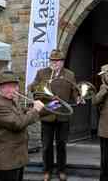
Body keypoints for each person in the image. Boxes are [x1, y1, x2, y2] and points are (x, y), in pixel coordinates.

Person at [28, 49, 80, 181]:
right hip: (47, 114)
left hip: (63, 115)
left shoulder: (69, 74)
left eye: (58, 61)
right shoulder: (42, 73)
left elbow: (74, 91)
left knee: (62, 145)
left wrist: (78, 97)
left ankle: (61, 170)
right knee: (46, 146)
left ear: (62, 62)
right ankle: (47, 170)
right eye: (52, 60)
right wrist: (35, 87)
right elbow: (32, 87)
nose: (55, 63)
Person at [0, 71, 44, 181]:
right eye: (8, 87)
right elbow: (18, 123)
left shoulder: (11, 101)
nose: (13, 90)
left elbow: (25, 113)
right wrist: (35, 110)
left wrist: (50, 105)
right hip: (6, 159)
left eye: (15, 86)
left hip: (17, 157)